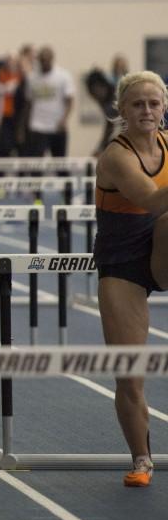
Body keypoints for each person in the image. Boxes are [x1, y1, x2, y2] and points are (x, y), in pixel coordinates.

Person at [94, 70, 168, 488]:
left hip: (161, 250)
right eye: (137, 104)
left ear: (164, 108)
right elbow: (154, 200)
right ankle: (142, 459)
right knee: (129, 369)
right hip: (122, 261)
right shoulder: (116, 156)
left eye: (154, 103)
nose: (146, 110)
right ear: (121, 110)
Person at [25, 46, 74, 159]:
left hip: (57, 126)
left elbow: (70, 101)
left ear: (52, 59)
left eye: (46, 60)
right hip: (37, 126)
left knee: (60, 164)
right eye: (41, 60)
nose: (44, 63)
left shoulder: (63, 76)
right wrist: (25, 125)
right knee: (36, 164)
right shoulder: (32, 77)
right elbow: (29, 102)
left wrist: (64, 119)